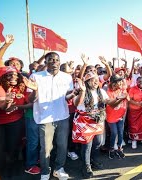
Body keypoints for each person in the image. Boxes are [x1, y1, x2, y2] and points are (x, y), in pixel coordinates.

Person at [24, 52, 76, 180]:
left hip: (63, 116)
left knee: (62, 145)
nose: (54, 62)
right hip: (44, 118)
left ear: (59, 62)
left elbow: (67, 97)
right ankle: (45, 171)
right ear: (46, 62)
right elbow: (31, 100)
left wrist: (75, 93)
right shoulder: (36, 77)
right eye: (51, 60)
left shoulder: (67, 77)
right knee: (46, 148)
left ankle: (59, 169)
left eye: (56, 60)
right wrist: (35, 90)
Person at [72, 72, 112, 178]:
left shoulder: (101, 91)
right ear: (87, 82)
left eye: (96, 79)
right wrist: (83, 91)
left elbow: (109, 101)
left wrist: (118, 99)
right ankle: (86, 166)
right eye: (91, 79)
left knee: (98, 142)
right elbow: (76, 103)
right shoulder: (81, 91)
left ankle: (93, 160)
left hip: (97, 120)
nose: (95, 81)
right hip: (84, 121)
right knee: (87, 145)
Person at [106, 74, 128, 159]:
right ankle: (111, 149)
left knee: (120, 132)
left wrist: (124, 97)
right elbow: (112, 105)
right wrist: (120, 98)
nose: (121, 82)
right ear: (114, 83)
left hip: (120, 115)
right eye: (119, 81)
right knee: (114, 133)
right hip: (111, 116)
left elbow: (127, 99)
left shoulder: (122, 90)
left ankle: (119, 148)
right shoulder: (109, 92)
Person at [127, 77, 142, 149]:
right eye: (139, 81)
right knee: (134, 125)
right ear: (136, 82)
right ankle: (134, 140)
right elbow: (129, 99)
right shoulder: (132, 89)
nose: (141, 82)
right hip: (134, 110)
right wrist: (137, 104)